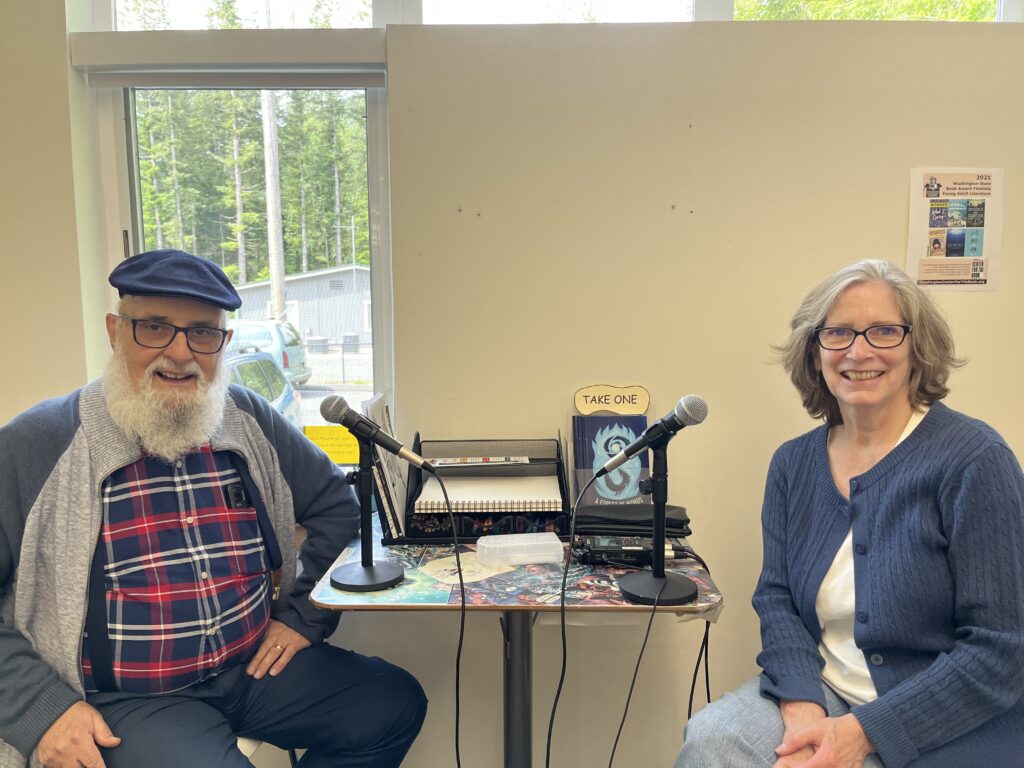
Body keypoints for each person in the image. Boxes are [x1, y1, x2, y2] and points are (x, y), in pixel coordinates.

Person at [0, 249, 427, 768]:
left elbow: (338, 506)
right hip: (128, 701)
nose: (180, 353)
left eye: (202, 332)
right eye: (154, 327)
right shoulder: (36, 444)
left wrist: (303, 617)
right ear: (115, 332)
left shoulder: (246, 417)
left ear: (223, 341)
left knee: (391, 705)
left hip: (250, 668)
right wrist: (42, 710)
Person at [675, 259, 1024, 768]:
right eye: (837, 333)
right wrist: (802, 708)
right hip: (826, 692)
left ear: (916, 347)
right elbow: (778, 600)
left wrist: (860, 734)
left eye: (884, 331)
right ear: (814, 353)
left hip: (948, 718)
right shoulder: (793, 463)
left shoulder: (974, 459)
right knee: (714, 741)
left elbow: (1000, 650)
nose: (859, 351)